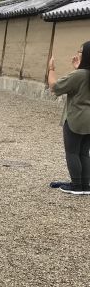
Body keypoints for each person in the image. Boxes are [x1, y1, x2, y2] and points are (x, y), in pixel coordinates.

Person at [48, 41, 90, 195]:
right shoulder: (82, 74)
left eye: (80, 51)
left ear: (86, 54)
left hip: (76, 117)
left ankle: (76, 185)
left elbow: (55, 87)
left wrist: (51, 69)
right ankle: (85, 185)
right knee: (84, 152)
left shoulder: (79, 75)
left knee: (72, 152)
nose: (77, 53)